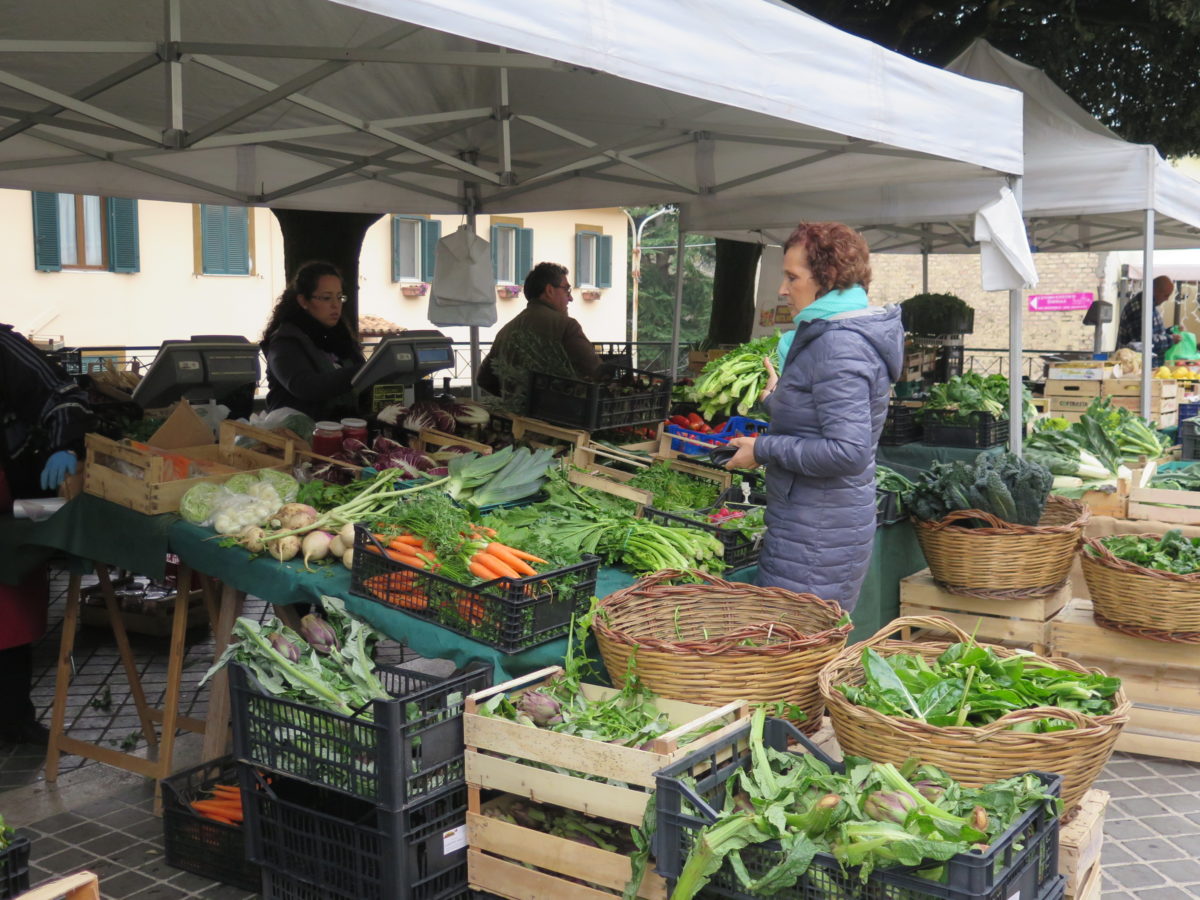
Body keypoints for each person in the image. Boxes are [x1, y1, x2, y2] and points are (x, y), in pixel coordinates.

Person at [724, 223, 903, 612]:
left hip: (820, 535)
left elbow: (848, 451)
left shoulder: (840, 345)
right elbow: (820, 419)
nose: (782, 290)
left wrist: (763, 448)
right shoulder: (829, 336)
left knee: (794, 653)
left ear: (829, 278)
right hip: (810, 523)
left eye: (792, 277)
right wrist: (776, 399)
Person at [0, 323, 94, 745]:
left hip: (9, 506)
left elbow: (62, 394)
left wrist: (64, 445)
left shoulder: (3, 349)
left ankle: (13, 719)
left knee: (8, 610)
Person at [476, 262, 604, 413]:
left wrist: (517, 397)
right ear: (549, 290)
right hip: (559, 422)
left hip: (515, 421)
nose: (570, 298)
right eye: (566, 290)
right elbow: (596, 371)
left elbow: (484, 379)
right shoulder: (565, 326)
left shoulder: (506, 331)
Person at [262, 260, 365, 423]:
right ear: (303, 301)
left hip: (345, 432)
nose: (335, 305)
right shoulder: (285, 341)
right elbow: (305, 386)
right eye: (326, 298)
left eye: (339, 297)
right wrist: (363, 372)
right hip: (297, 436)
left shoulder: (341, 337)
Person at [1117, 275, 1177, 366]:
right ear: (1156, 291)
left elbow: (1154, 334)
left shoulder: (1148, 304)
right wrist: (1171, 339)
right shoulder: (1141, 308)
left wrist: (1172, 330)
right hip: (1137, 369)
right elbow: (1144, 342)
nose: (1167, 299)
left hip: (1146, 368)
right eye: (1166, 295)